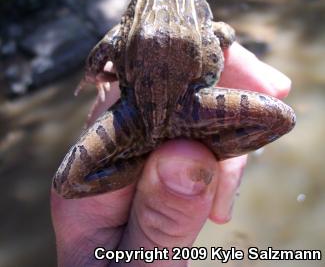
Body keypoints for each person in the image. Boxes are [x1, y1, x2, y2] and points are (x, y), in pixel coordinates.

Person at [51, 42, 292, 266]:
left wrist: (95, 75)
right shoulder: (203, 16)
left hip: (134, 113)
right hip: (191, 107)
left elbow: (104, 50)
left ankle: (143, 161)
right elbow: (225, 35)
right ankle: (210, 148)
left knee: (68, 182)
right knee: (281, 118)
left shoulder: (121, 31)